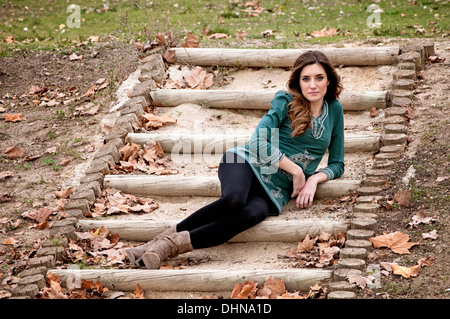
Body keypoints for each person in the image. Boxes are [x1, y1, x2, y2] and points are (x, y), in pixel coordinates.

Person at [126, 50, 345, 269]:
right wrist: (297, 171)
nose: (312, 85)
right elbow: (257, 142)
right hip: (245, 162)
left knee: (252, 214)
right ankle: (161, 245)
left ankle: (165, 245)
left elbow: (337, 163)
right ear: (298, 81)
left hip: (276, 190)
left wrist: (314, 179)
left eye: (319, 78)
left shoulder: (334, 110)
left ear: (328, 80)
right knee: (234, 200)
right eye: (306, 79)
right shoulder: (285, 101)